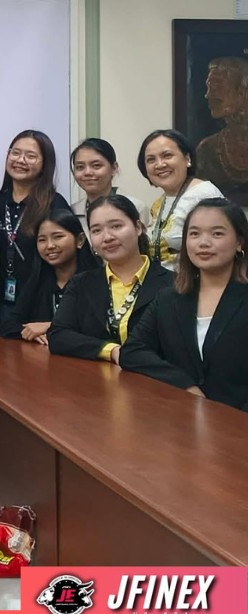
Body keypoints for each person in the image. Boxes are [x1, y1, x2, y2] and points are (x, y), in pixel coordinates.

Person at [121, 197, 248, 410]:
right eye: (194, 234)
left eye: (217, 234)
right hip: (181, 418)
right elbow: (132, 351)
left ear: (239, 242)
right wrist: (185, 385)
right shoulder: (169, 298)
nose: (203, 243)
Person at [48, 195, 172, 363]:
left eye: (116, 226)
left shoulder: (172, 284)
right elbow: (58, 336)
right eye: (96, 230)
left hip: (154, 376)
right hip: (95, 376)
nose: (107, 237)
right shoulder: (81, 284)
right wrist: (111, 351)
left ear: (138, 227)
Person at [0, 130, 71, 332]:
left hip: (40, 303)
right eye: (15, 153)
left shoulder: (54, 204)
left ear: (45, 164)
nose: (21, 160)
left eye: (31, 156)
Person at [2, 208, 99, 343]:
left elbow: (97, 328)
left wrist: (50, 327)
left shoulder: (96, 280)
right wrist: (32, 333)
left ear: (80, 240)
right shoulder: (38, 279)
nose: (50, 246)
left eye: (58, 237)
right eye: (42, 240)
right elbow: (9, 325)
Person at [138, 129, 223, 271]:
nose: (160, 164)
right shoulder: (159, 204)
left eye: (167, 155)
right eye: (151, 160)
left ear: (187, 159)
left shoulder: (203, 194)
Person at [195, 58, 248, 205]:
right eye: (208, 87)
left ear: (242, 92)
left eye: (217, 87)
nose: (208, 95)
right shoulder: (207, 151)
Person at [69, 138, 148, 229]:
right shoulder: (72, 212)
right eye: (80, 167)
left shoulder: (136, 207)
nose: (87, 172)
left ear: (114, 168)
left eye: (96, 165)